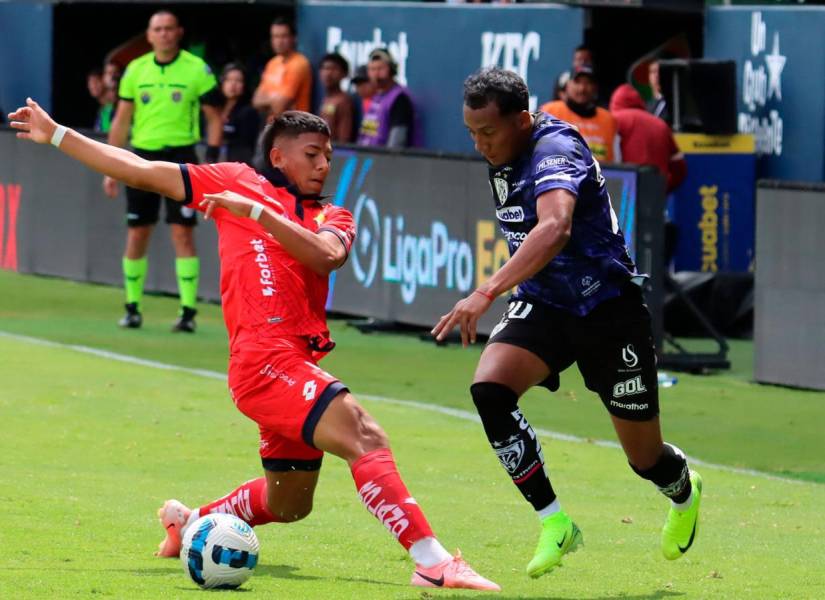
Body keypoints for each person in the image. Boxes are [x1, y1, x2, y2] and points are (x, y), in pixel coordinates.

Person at [9, 99, 500, 593]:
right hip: (262, 364)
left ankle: (192, 520)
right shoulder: (234, 179)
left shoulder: (334, 214)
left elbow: (327, 256)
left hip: (294, 365)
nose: (324, 165)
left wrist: (261, 214)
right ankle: (432, 561)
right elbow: (141, 169)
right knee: (365, 435)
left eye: (328, 156)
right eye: (312, 154)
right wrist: (56, 134)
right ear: (280, 156)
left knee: (289, 505)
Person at [432, 68, 702, 579]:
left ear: (521, 119)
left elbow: (554, 228)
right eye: (471, 133)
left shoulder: (555, 149)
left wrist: (487, 291)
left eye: (488, 133)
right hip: (546, 306)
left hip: (608, 311)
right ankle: (554, 522)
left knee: (645, 460)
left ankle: (684, 489)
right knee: (489, 389)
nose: (480, 144)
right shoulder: (502, 152)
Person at [105, 10, 222, 332]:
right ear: (149, 34)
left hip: (182, 159)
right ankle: (132, 307)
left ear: (179, 32)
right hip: (141, 157)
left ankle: (187, 311)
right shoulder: (135, 69)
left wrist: (210, 161)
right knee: (138, 231)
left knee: (182, 232)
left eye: (170, 29)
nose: (164, 34)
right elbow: (122, 120)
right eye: (158, 29)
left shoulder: (197, 69)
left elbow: (214, 117)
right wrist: (111, 167)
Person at [609, 84, 686, 193]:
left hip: (623, 193)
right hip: (654, 193)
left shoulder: (613, 121)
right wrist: (664, 188)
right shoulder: (661, 125)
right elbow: (679, 167)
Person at [541, 64, 618, 163]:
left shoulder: (608, 120)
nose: (582, 89)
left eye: (588, 83)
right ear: (567, 85)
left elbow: (616, 161)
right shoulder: (550, 111)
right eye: (577, 82)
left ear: (595, 88)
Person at [356, 48, 418, 148]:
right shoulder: (376, 96)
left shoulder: (399, 98)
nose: (376, 74)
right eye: (372, 69)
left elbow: (397, 142)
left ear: (391, 70)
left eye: (380, 69)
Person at [252, 18, 312, 118]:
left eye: (284, 36)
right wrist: (273, 99)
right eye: (275, 36)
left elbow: (280, 106)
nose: (279, 41)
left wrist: (268, 98)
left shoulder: (299, 64)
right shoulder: (272, 63)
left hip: (294, 128)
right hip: (273, 127)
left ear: (294, 38)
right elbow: (255, 101)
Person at [217, 63, 260, 165]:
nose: (233, 84)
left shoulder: (248, 112)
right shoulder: (214, 109)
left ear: (245, 85)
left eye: (238, 81)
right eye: (228, 80)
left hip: (236, 165)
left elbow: (245, 149)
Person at [317, 52, 354, 143]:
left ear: (344, 74)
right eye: (325, 68)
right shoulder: (326, 99)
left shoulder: (343, 101)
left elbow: (344, 139)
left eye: (334, 69)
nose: (328, 73)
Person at [95, 61, 123, 134]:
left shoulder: (127, 102)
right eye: (109, 73)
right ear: (103, 78)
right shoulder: (103, 107)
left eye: (116, 72)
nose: (113, 76)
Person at [647, 61, 670, 125]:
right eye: (653, 72)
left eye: (660, 72)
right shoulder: (645, 106)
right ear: (649, 77)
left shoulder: (675, 105)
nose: (657, 75)